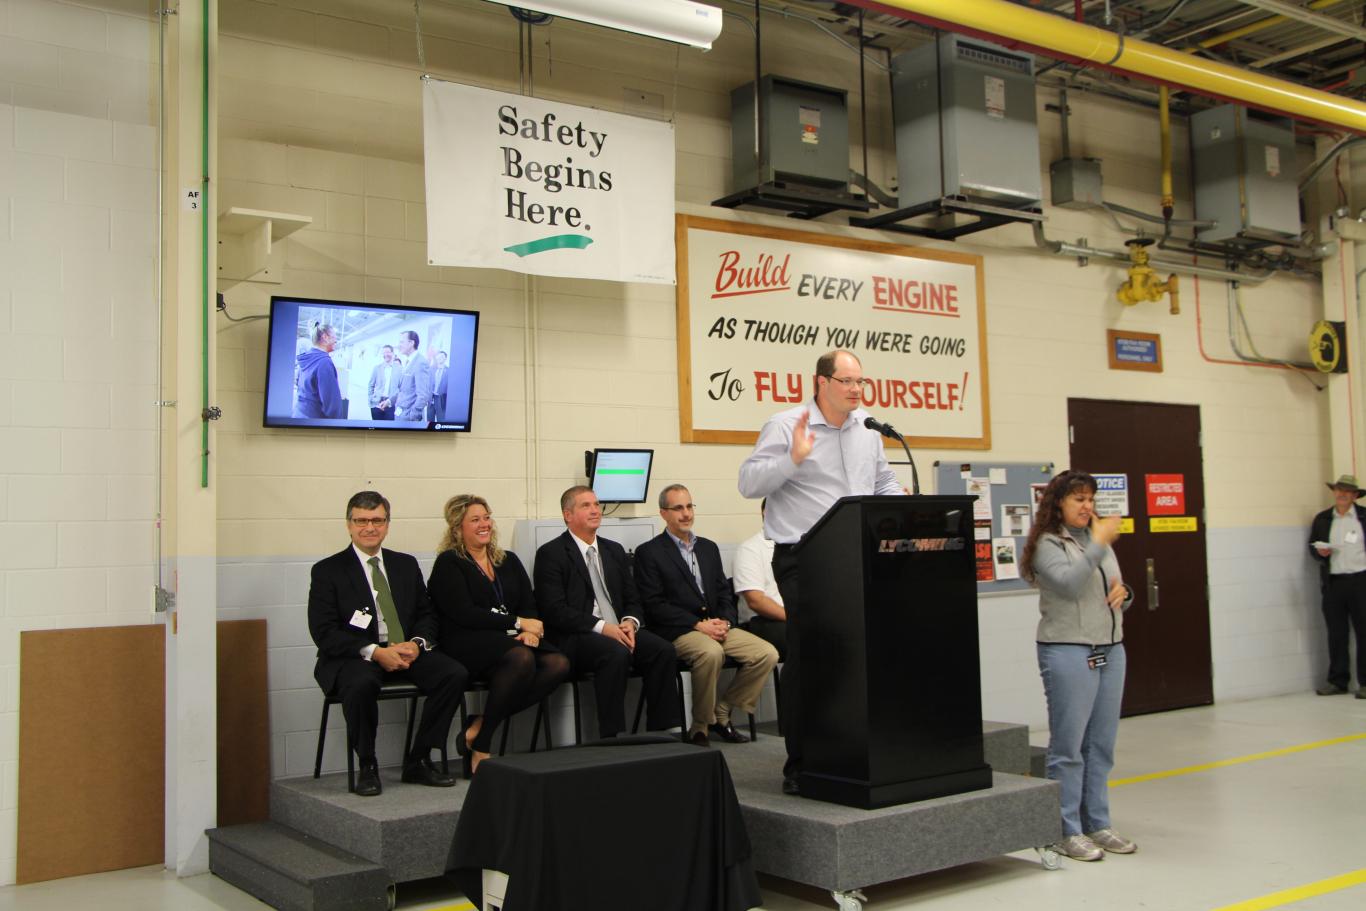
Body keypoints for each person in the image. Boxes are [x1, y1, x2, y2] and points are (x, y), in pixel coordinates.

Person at [737, 348, 904, 795]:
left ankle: (847, 751)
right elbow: (748, 483)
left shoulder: (867, 429)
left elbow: (881, 481)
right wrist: (792, 458)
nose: (855, 390)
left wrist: (905, 506)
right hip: (804, 559)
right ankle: (802, 763)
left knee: (853, 655)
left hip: (857, 557)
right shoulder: (786, 424)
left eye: (860, 382)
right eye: (847, 381)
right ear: (821, 382)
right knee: (810, 658)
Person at [307, 491, 467, 796]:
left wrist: (417, 644)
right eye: (362, 521)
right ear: (349, 525)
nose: (370, 527)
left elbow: (426, 613)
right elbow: (324, 631)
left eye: (377, 520)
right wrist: (375, 652)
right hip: (354, 657)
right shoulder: (328, 571)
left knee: (453, 674)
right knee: (361, 683)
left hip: (405, 651)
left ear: (387, 524)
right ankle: (367, 765)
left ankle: (419, 759)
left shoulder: (405, 565)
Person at [1021, 469, 1136, 861]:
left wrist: (1126, 592)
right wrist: (1099, 545)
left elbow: (1111, 589)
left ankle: (1097, 822)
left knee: (1101, 744)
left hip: (1110, 647)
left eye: (1090, 499)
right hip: (1068, 649)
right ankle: (1066, 828)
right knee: (1069, 746)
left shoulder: (1096, 540)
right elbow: (1069, 584)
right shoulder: (1048, 544)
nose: (1087, 507)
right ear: (1059, 504)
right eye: (1078, 500)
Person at [427, 494, 571, 774]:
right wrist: (519, 624)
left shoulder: (508, 560)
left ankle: (480, 728)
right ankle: (482, 746)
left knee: (559, 663)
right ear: (458, 528)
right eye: (475, 520)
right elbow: (464, 613)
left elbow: (529, 604)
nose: (484, 524)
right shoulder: (449, 563)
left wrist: (530, 631)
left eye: (487, 517)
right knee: (522, 659)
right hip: (464, 641)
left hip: (508, 639)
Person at [634, 484, 779, 746]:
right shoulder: (650, 552)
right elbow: (654, 605)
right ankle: (700, 726)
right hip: (679, 630)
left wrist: (725, 621)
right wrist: (697, 625)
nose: (686, 513)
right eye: (678, 508)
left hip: (715, 625)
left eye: (689, 506)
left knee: (765, 653)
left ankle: (722, 712)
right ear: (663, 513)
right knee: (711, 653)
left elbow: (724, 592)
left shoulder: (708, 548)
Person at [534, 486, 681, 739]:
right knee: (614, 652)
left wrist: (630, 622)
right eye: (586, 505)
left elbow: (633, 597)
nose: (594, 510)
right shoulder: (551, 553)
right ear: (568, 515)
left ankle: (662, 731)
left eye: (596, 504)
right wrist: (603, 628)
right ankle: (613, 735)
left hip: (618, 628)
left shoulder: (613, 550)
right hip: (579, 635)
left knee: (662, 650)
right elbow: (554, 610)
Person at [1308, 474, 1366, 698]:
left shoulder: (1362, 517)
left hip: (1361, 580)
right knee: (1336, 634)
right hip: (1334, 582)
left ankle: (1365, 683)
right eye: (1338, 490)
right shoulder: (1322, 519)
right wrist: (1319, 552)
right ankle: (1338, 681)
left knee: (1364, 633)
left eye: (1347, 491)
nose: (1341, 494)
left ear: (1354, 495)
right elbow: (1312, 547)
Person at [732, 499, 787, 661]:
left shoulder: (799, 546)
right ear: (766, 512)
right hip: (761, 622)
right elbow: (756, 601)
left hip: (792, 619)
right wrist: (795, 618)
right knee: (804, 639)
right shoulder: (750, 549)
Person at [292, 322, 345, 419]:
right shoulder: (324, 362)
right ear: (325, 337)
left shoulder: (307, 359)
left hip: (299, 414)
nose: (336, 340)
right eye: (334, 336)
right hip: (314, 420)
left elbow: (298, 382)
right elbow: (332, 404)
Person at [393, 330, 432, 422]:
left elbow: (423, 395)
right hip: (400, 412)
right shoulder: (408, 361)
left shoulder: (420, 363)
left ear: (411, 343)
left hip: (408, 417)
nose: (399, 345)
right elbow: (404, 389)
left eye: (402, 342)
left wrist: (412, 416)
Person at [368, 345, 400, 421]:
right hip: (376, 403)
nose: (386, 354)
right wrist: (370, 399)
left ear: (393, 353)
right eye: (384, 352)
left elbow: (400, 387)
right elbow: (371, 385)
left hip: (391, 403)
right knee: (376, 428)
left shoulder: (399, 369)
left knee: (389, 430)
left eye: (388, 352)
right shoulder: (377, 368)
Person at [428, 351, 449, 422]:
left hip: (441, 399)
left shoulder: (449, 371)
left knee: (441, 420)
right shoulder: (431, 369)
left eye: (442, 357)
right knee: (429, 420)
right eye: (438, 356)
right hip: (431, 398)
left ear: (445, 358)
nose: (439, 358)